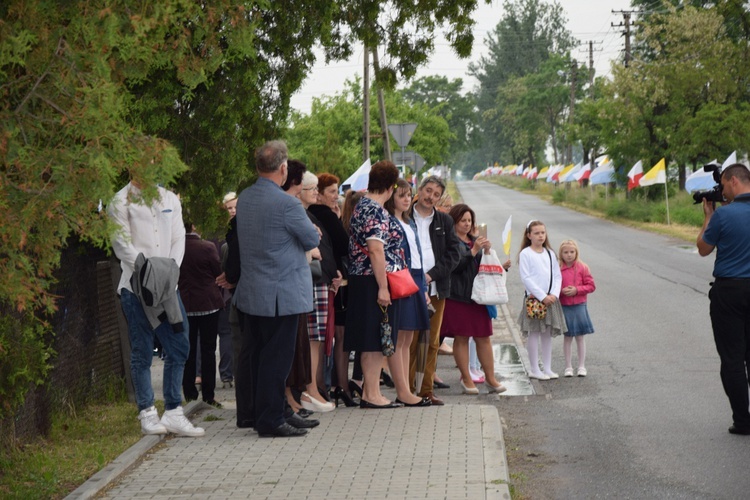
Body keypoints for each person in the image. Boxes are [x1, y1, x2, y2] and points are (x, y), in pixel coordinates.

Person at [233, 140, 320, 437]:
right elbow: (311, 239)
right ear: (283, 169)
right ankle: (271, 419)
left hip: (253, 292)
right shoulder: (287, 204)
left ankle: (274, 411)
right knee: (276, 359)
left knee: (259, 355)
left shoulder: (245, 197)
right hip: (281, 295)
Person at [108, 166, 204, 437]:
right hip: (135, 288)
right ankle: (147, 413)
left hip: (167, 288)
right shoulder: (119, 201)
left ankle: (173, 411)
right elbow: (121, 244)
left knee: (179, 344)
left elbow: (178, 240)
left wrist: (169, 273)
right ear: (130, 166)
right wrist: (146, 270)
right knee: (141, 349)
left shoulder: (170, 199)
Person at [344, 160, 404, 409]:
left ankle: (371, 391)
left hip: (365, 279)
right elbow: (376, 250)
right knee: (375, 338)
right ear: (390, 187)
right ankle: (371, 394)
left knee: (374, 339)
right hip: (372, 280)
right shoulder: (374, 209)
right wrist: (383, 287)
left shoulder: (363, 205)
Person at [696, 163, 750, 435]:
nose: (723, 192)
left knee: (732, 359)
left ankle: (743, 421)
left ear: (732, 181)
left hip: (729, 291)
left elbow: (703, 249)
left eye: (724, 186)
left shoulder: (724, 215)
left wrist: (708, 216)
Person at [440, 204, 508, 394]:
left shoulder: (474, 240)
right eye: (463, 220)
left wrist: (486, 251)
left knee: (484, 337)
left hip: (479, 296)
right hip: (459, 296)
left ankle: (491, 378)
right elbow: (455, 266)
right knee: (461, 337)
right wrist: (472, 251)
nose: (467, 224)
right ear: (454, 222)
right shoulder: (449, 241)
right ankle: (466, 378)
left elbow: (483, 266)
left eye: (470, 220)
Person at [408, 176, 461, 405]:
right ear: (419, 190)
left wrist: (431, 275)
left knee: (431, 341)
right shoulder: (404, 216)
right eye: (428, 191)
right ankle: (409, 388)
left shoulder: (444, 221)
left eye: (436, 194)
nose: (430, 196)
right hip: (408, 288)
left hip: (435, 288)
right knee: (410, 340)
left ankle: (425, 390)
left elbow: (454, 254)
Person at [383, 178, 432, 407]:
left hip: (415, 278)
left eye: (407, 195)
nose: (405, 199)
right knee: (399, 337)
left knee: (408, 336)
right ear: (391, 197)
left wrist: (423, 288)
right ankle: (402, 390)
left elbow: (418, 256)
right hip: (399, 279)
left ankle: (406, 388)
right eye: (401, 195)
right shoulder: (389, 221)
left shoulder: (409, 222)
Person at [308, 173, 355, 406]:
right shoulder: (325, 214)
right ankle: (335, 386)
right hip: (333, 282)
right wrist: (337, 218)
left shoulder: (312, 214)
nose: (336, 197)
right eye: (332, 192)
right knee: (334, 336)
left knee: (326, 337)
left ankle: (326, 386)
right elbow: (344, 244)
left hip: (327, 277)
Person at [298, 170, 339, 413]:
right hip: (313, 280)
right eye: (312, 189)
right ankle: (310, 388)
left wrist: (335, 273)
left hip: (322, 279)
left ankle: (312, 388)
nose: (316, 192)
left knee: (317, 339)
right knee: (313, 339)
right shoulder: (301, 215)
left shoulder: (309, 215)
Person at [179, 221, 225, 407]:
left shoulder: (176, 249)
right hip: (208, 304)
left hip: (184, 304)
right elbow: (218, 271)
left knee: (187, 350)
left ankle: (189, 393)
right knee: (208, 349)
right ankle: (208, 395)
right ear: (194, 227)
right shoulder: (207, 247)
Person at [517, 220, 566, 380]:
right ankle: (534, 369)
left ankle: (548, 368)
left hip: (550, 299)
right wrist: (542, 296)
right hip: (535, 300)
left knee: (546, 334)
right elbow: (526, 277)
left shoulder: (550, 253)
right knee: (534, 332)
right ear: (529, 235)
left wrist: (553, 294)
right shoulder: (526, 254)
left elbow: (557, 275)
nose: (540, 236)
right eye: (536, 233)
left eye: (542, 233)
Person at [558, 239, 596, 378]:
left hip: (580, 305)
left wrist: (577, 290)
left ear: (576, 252)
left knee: (580, 337)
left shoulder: (583, 267)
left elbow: (591, 286)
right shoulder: (557, 268)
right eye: (566, 252)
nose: (569, 255)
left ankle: (581, 366)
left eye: (572, 252)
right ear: (561, 254)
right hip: (565, 306)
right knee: (567, 337)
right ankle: (568, 366)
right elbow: (554, 286)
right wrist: (562, 291)